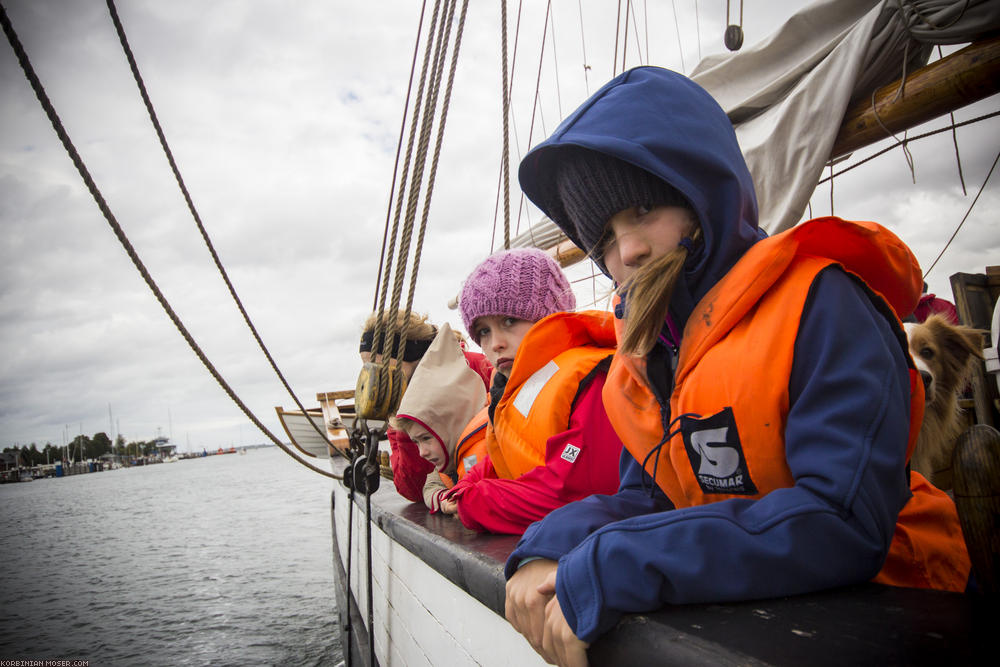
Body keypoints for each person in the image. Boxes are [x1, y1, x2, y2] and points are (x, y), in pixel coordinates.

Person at [503, 67, 971, 666]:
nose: (628, 251)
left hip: (901, 613)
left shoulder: (822, 305)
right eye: (605, 238)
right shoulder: (646, 356)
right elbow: (647, 495)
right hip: (754, 618)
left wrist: (617, 562)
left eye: (643, 209)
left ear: (702, 191)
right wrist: (548, 547)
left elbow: (843, 520)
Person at [439, 247, 625, 534]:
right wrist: (465, 485)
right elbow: (506, 454)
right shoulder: (513, 391)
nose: (495, 344)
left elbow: (577, 493)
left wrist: (474, 501)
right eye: (483, 331)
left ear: (549, 316)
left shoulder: (592, 379)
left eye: (510, 321)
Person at [359, 310, 491, 502]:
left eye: (379, 367)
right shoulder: (398, 406)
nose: (374, 379)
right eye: (366, 367)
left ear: (412, 358)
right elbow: (413, 488)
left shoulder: (479, 369)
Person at [392, 323, 489, 513]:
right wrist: (444, 499)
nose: (422, 452)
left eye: (426, 439)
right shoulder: (443, 469)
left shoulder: (492, 448)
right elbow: (429, 488)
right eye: (417, 442)